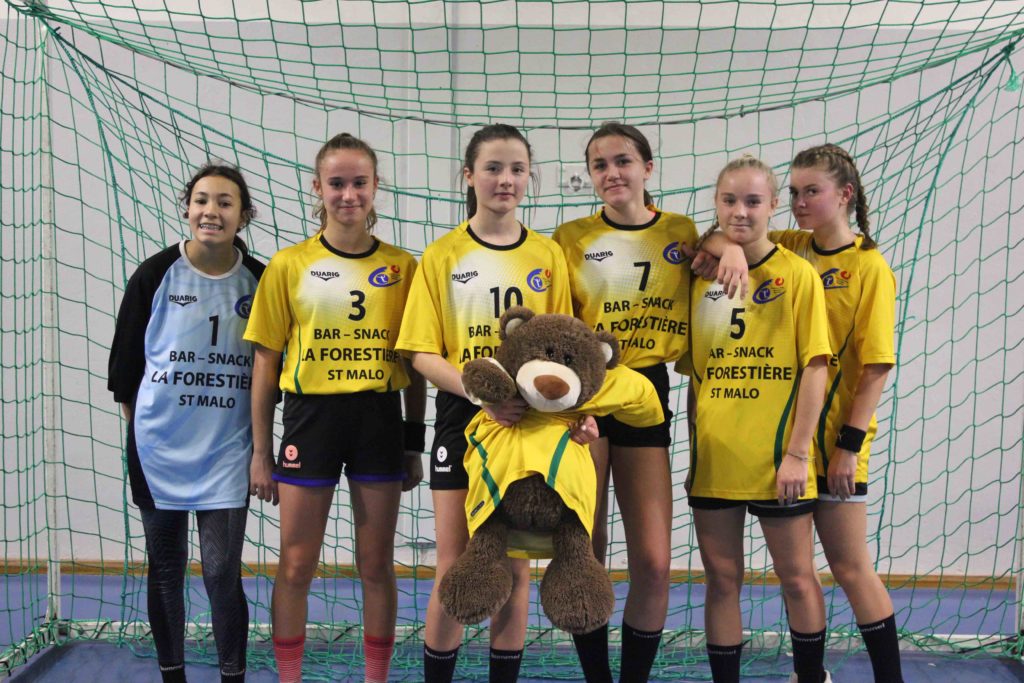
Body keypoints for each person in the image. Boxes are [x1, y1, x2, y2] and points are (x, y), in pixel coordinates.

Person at [395, 123, 581, 683]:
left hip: (530, 421)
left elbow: (567, 349)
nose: (506, 180)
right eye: (493, 168)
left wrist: (575, 416)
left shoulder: (548, 254)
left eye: (517, 169)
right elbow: (420, 353)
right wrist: (481, 393)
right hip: (464, 415)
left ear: (530, 177)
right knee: (455, 564)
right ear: (469, 176)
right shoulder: (443, 255)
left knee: (516, 568)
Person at [244, 133, 426, 683]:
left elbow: (417, 361)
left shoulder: (403, 267)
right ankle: (289, 677)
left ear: (376, 188)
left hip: (378, 420)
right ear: (317, 188)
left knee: (376, 565)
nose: (349, 194)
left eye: (359, 183)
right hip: (311, 421)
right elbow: (265, 363)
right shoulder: (288, 264)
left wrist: (413, 442)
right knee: (297, 564)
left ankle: (376, 678)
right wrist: (261, 452)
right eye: (337, 183)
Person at [552, 121, 699, 683]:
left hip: (647, 391)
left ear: (647, 168)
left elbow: (726, 244)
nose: (612, 172)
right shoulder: (571, 237)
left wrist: (729, 248)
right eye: (600, 165)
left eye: (623, 161)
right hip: (584, 392)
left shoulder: (681, 231)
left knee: (655, 563)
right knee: (584, 552)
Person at [108, 163, 264, 683]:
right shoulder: (154, 274)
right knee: (166, 569)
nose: (210, 211)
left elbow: (273, 371)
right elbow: (125, 372)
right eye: (201, 200)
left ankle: (232, 675)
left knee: (221, 572)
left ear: (243, 215)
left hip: (228, 450)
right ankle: (172, 675)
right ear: (187, 208)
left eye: (224, 202)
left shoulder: (261, 279)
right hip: (159, 450)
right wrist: (147, 435)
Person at [680, 154, 832, 683]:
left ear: (773, 206)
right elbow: (696, 378)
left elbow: (816, 368)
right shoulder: (699, 278)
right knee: (722, 581)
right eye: (729, 200)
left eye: (752, 201)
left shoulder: (798, 275)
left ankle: (811, 678)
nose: (740, 211)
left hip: (778, 461)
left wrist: (797, 454)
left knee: (797, 578)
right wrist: (695, 455)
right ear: (716, 204)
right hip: (716, 461)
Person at [780, 144, 902, 683]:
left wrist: (848, 448)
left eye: (812, 191)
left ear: (845, 194)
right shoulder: (791, 247)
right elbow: (725, 235)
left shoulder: (869, 266)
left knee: (851, 568)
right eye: (794, 192)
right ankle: (811, 677)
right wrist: (728, 252)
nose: (799, 203)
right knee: (796, 574)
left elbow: (876, 367)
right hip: (787, 440)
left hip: (838, 444)